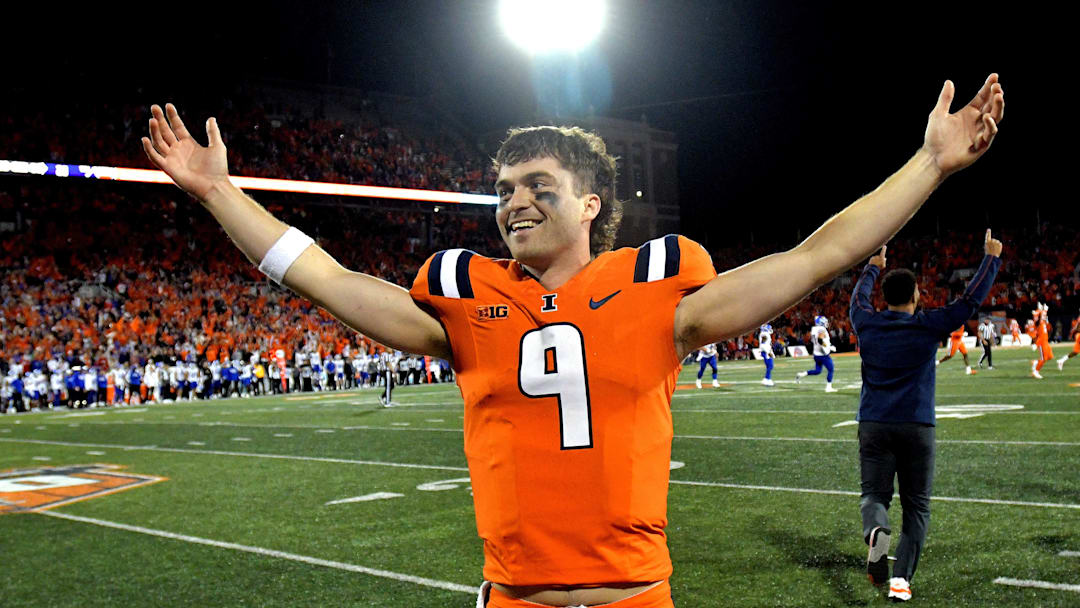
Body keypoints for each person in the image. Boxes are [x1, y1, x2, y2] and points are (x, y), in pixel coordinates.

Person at [143, 73, 1003, 607]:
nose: (514, 201)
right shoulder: (466, 297)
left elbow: (821, 254)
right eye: (505, 188)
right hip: (515, 598)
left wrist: (928, 164)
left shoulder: (658, 288)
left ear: (591, 203)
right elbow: (326, 278)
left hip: (633, 597)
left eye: (539, 186)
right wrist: (220, 195)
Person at [849, 233, 1002, 602]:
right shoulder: (927, 325)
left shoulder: (866, 323)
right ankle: (900, 580)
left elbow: (857, 299)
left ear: (885, 298)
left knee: (874, 496)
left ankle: (876, 529)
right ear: (916, 296)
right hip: (917, 425)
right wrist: (991, 259)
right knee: (916, 505)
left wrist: (871, 267)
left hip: (874, 424)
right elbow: (969, 302)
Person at [795, 315, 839, 392]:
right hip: (823, 355)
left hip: (816, 354)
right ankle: (828, 387)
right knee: (831, 369)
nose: (826, 323)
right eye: (825, 321)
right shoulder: (821, 329)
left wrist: (828, 345)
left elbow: (816, 340)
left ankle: (801, 374)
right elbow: (820, 340)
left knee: (817, 371)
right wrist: (829, 347)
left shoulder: (814, 329)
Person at [1031, 303, 1053, 379]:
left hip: (1045, 341)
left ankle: (1036, 362)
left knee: (1050, 356)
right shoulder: (1037, 323)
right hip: (1041, 342)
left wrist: (1043, 310)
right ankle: (1035, 372)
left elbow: (1043, 317)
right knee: (1043, 358)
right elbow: (1039, 316)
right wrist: (1043, 310)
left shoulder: (1042, 322)